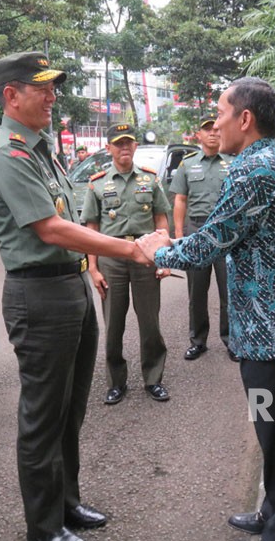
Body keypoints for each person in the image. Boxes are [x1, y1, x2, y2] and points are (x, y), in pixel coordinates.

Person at [136, 77, 275, 541]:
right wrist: (172, 243)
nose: (215, 123)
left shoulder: (253, 170)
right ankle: (274, 513)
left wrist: (157, 250)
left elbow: (208, 245)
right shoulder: (261, 160)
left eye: (220, 113)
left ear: (245, 118)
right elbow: (222, 236)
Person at [0, 51, 151, 541]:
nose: (53, 97)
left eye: (53, 87)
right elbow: (53, 229)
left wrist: (93, 266)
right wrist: (129, 248)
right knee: (42, 418)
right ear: (12, 95)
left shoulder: (41, 149)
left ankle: (67, 503)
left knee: (71, 408)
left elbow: (71, 225)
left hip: (70, 286)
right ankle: (44, 527)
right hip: (40, 298)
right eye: (43, 88)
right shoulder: (8, 153)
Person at [81, 123, 173, 405]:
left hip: (145, 256)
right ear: (108, 148)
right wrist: (93, 269)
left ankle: (153, 378)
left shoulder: (150, 179)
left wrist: (163, 257)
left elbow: (161, 220)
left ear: (135, 146)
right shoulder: (96, 184)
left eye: (128, 143)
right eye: (118, 143)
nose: (124, 148)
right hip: (111, 260)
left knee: (150, 321)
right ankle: (116, 381)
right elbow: (91, 230)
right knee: (114, 324)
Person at [169, 112, 236, 362]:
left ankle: (232, 340)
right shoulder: (187, 164)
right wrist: (179, 237)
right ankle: (197, 340)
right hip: (196, 232)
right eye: (207, 129)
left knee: (229, 289)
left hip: (226, 233)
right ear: (199, 134)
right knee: (196, 291)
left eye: (216, 128)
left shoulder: (233, 161)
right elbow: (180, 200)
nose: (213, 133)